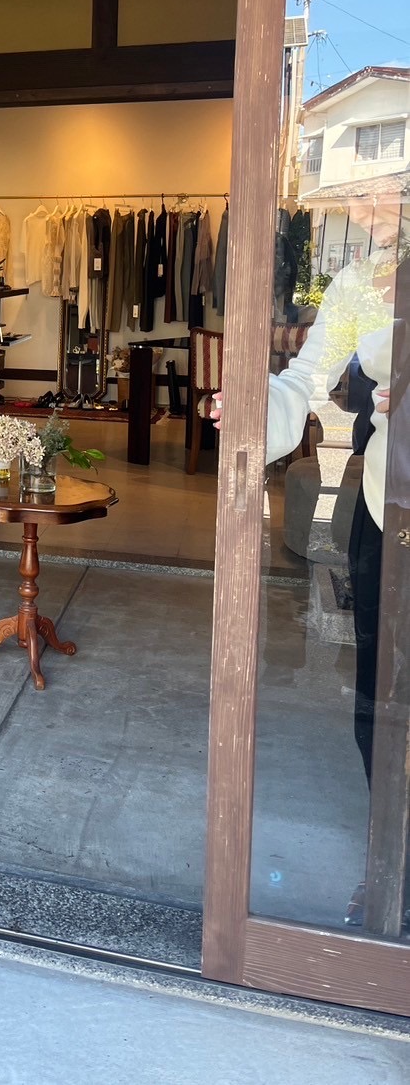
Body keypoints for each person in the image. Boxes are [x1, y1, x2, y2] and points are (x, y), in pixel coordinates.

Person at [212, 193, 404, 924]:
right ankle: (392, 858)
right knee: (381, 699)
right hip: (390, 510)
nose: (365, 203)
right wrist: (253, 407)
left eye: (383, 183)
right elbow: (309, 376)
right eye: (358, 191)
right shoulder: (359, 283)